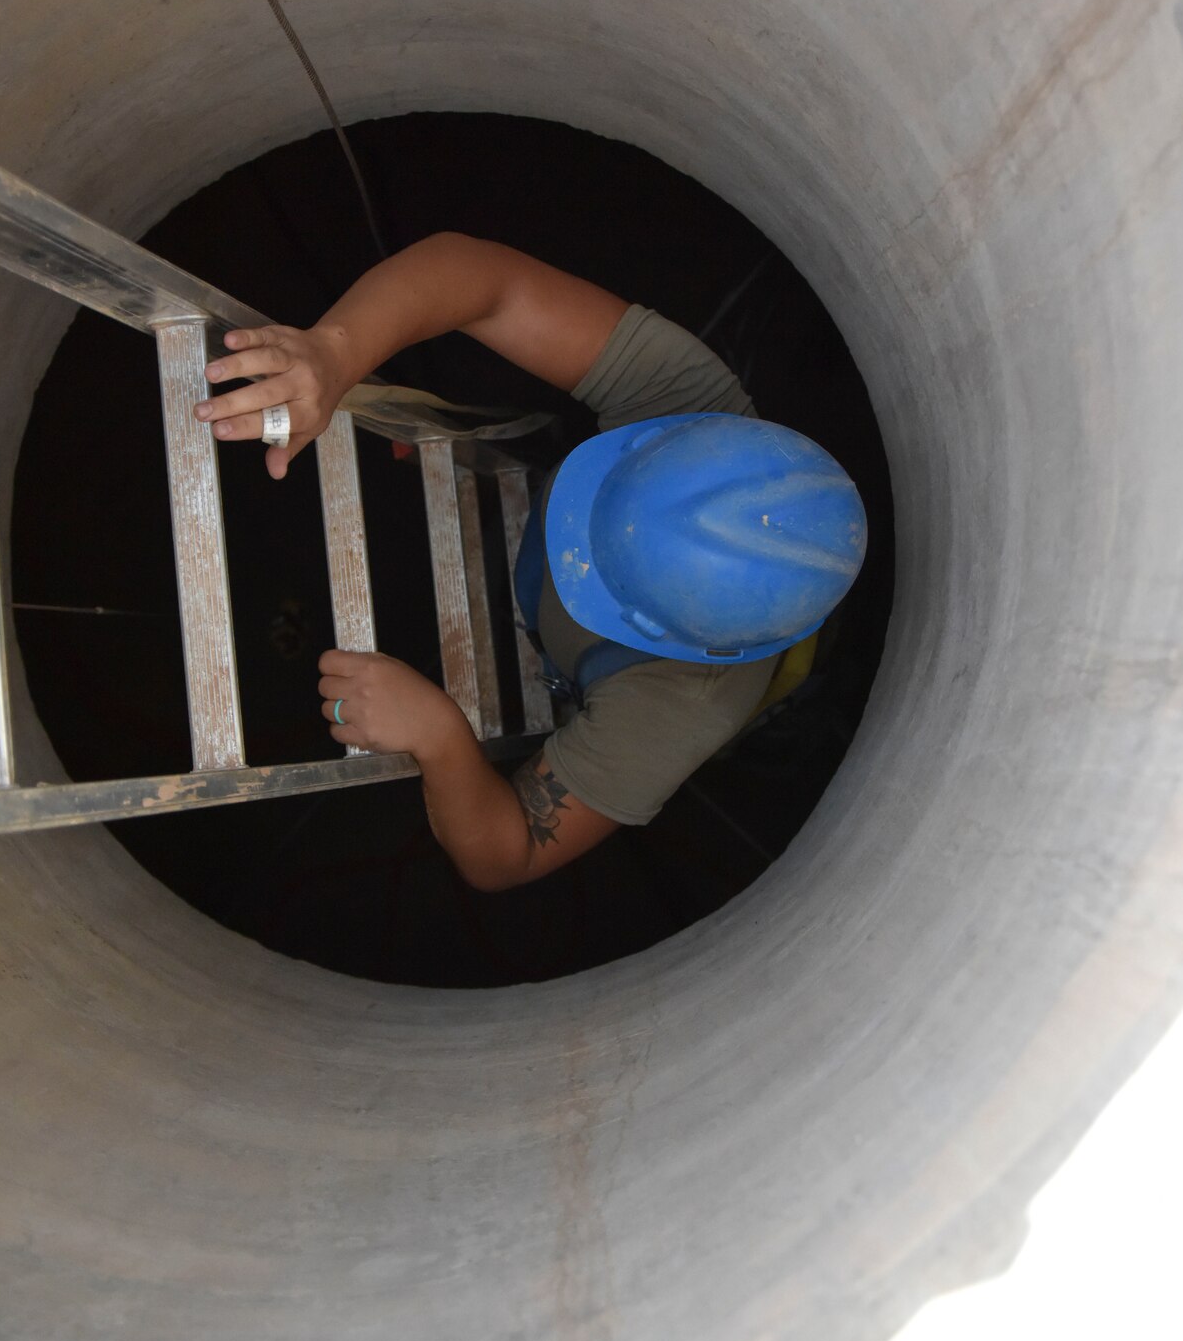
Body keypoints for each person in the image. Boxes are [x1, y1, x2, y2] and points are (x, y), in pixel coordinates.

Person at [194, 232, 865, 891]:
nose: (570, 546)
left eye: (592, 567)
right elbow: (486, 282)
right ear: (672, 440)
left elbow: (506, 856)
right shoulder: (693, 407)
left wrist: (440, 737)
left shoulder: (676, 709)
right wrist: (334, 351)